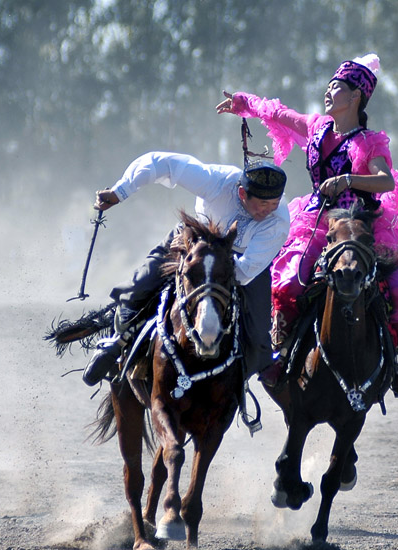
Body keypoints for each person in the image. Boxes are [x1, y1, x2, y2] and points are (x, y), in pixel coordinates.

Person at [216, 54, 398, 397]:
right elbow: (277, 113)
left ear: (356, 95)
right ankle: (279, 353)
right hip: (316, 220)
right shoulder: (316, 127)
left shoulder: (370, 142)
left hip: (362, 222)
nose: (328, 93)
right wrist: (244, 102)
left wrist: (347, 180)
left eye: (337, 87)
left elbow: (386, 181)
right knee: (288, 280)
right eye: (328, 86)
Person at [82, 151, 290, 387]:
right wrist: (120, 191)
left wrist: (214, 261)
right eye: (263, 204)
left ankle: (251, 375)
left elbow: (243, 273)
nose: (269, 210)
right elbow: (164, 163)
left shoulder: (278, 221)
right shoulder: (218, 181)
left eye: (274, 203)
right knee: (139, 285)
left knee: (260, 333)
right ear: (242, 193)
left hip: (243, 262)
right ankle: (116, 344)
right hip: (192, 241)